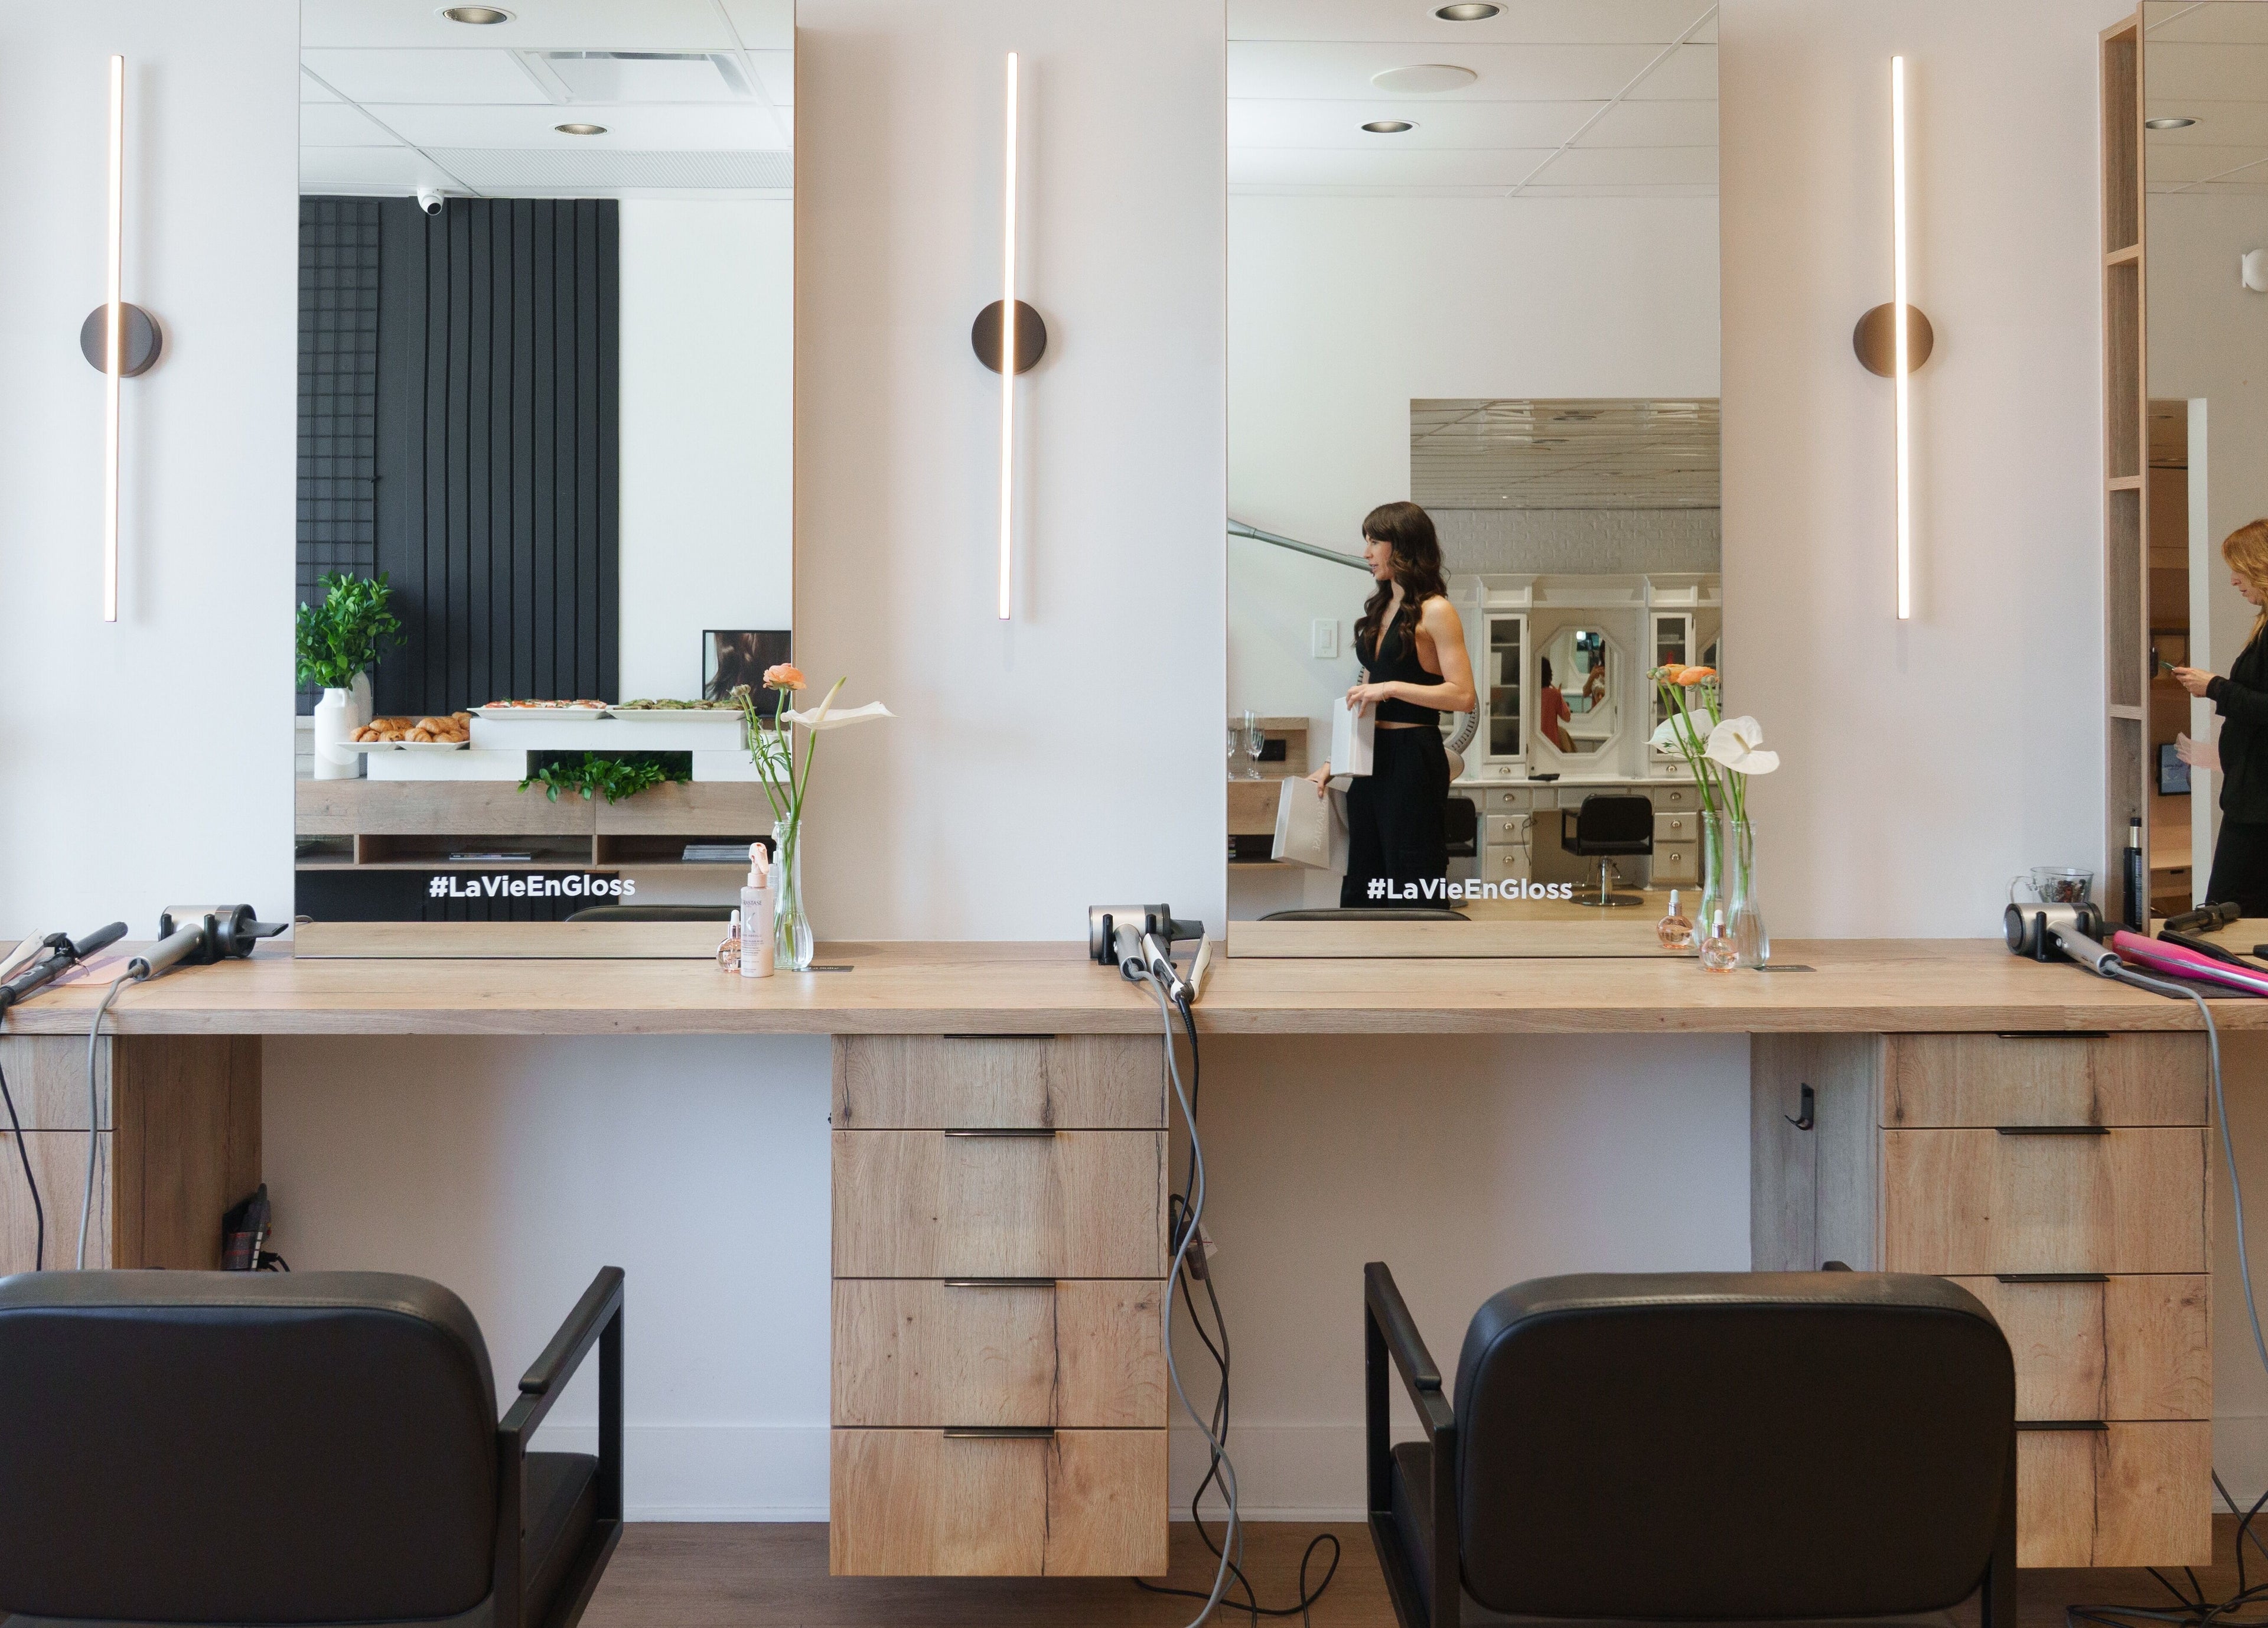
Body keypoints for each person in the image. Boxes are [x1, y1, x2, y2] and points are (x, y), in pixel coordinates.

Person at [1305, 502, 1477, 907]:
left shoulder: (1438, 611)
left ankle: (1420, 965)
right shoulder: (1381, 608)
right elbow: (1363, 699)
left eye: (1375, 541)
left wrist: (1392, 688)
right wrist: (1334, 762)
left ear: (1403, 546)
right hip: (1369, 760)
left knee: (1412, 872)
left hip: (1413, 758)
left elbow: (1463, 695)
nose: (1367, 553)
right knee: (1364, 874)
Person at [2173, 518, 2268, 914]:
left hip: (2257, 806)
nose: (2233, 580)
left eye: (2238, 568)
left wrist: (2215, 687)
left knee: (2224, 912)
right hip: (2252, 797)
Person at [1537, 656, 1575, 751]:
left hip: (1534, 743)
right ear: (1549, 674)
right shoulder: (1554, 695)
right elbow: (1567, 717)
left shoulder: (1528, 694)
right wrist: (1559, 694)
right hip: (1551, 744)